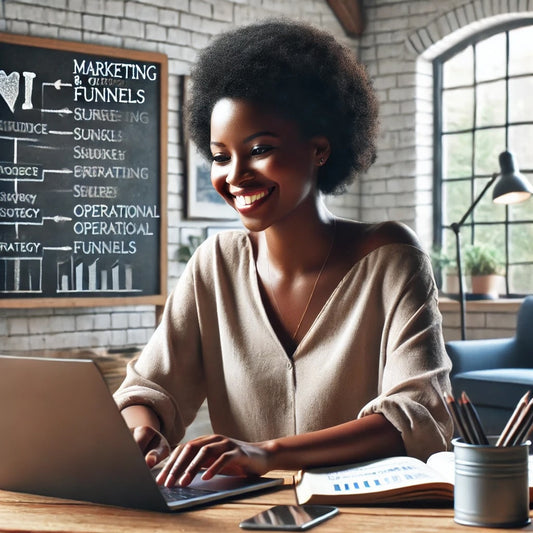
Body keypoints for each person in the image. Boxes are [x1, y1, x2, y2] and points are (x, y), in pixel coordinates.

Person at [113, 19, 453, 489]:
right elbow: (149, 388)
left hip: (367, 514)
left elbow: (417, 416)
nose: (235, 175)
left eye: (259, 149)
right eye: (220, 155)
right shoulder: (214, 264)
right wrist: (142, 430)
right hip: (246, 515)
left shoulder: (392, 258)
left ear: (319, 149)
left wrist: (264, 453)